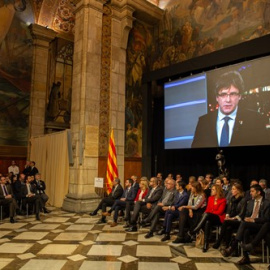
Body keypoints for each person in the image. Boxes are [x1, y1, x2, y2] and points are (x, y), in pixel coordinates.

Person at [192, 70, 269, 148]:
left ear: (240, 96)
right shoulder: (203, 122)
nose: (228, 100)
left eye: (233, 94)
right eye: (223, 94)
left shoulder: (256, 119)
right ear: (217, 97)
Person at [222, 184, 270, 265]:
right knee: (245, 230)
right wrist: (247, 218)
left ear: (258, 192)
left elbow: (266, 218)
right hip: (250, 225)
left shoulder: (267, 203)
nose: (250, 193)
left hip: (261, 225)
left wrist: (253, 220)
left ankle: (232, 247)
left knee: (244, 225)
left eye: (252, 191)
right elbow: (246, 214)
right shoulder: (250, 202)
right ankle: (245, 257)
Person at [192, 184, 227, 252]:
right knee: (207, 222)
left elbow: (220, 212)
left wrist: (210, 213)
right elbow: (207, 209)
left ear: (217, 191)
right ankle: (206, 244)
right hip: (210, 217)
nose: (211, 190)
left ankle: (197, 228)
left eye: (213, 189)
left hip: (218, 218)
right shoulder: (210, 198)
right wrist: (209, 213)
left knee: (207, 215)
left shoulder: (223, 200)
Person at [212, 182, 246, 249]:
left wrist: (232, 218)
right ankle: (227, 245)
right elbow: (228, 209)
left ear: (238, 190)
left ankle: (219, 241)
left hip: (238, 220)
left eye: (233, 189)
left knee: (226, 222)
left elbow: (242, 214)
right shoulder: (231, 198)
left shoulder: (243, 200)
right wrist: (227, 215)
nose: (231, 191)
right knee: (228, 227)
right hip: (231, 219)